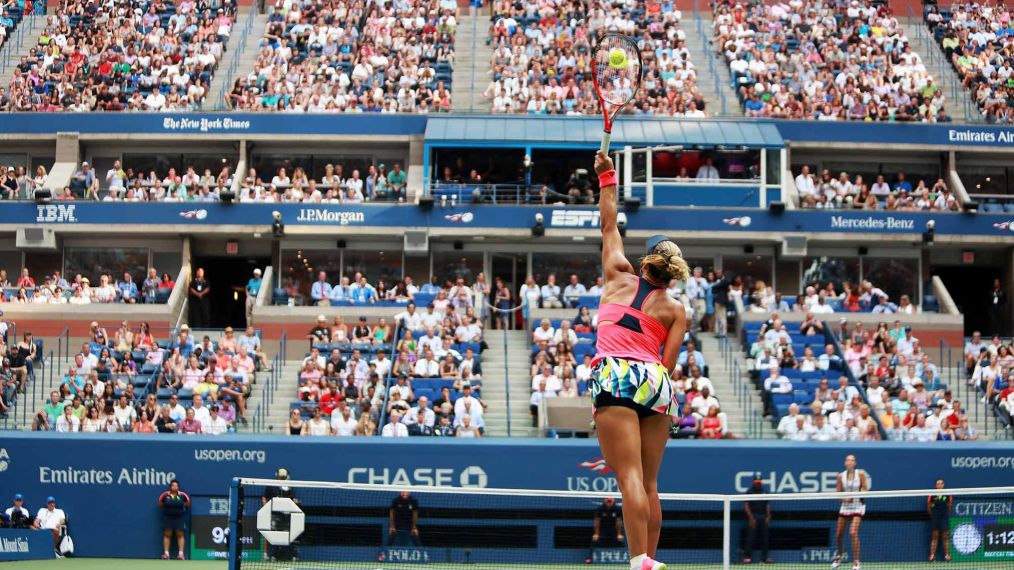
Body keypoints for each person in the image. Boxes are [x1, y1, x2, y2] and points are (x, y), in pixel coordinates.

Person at [589, 151, 688, 570]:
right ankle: (650, 560)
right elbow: (667, 365)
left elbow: (609, 222)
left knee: (627, 476)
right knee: (649, 482)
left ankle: (636, 560)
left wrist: (605, 174)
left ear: (646, 261)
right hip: (654, 383)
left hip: (615, 372)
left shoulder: (617, 273)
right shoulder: (676, 309)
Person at [833, 455, 867, 570]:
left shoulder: (861, 474)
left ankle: (856, 561)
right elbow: (838, 494)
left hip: (858, 506)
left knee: (852, 532)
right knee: (839, 534)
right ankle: (839, 556)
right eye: (848, 460)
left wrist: (859, 493)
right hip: (845, 506)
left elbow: (865, 489)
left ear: (855, 463)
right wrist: (846, 499)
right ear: (845, 463)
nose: (850, 462)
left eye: (852, 460)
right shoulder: (840, 476)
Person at [262, 468, 298, 562]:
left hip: (285, 515)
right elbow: (264, 498)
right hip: (273, 514)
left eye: (283, 477)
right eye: (280, 477)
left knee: (288, 533)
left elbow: (293, 499)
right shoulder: (271, 485)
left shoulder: (289, 487)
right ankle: (266, 554)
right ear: (277, 476)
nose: (282, 478)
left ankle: (281, 555)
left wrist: (295, 502)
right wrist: (266, 508)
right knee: (269, 533)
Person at [585, 497, 624, 565]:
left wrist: (619, 534)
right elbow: (597, 521)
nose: (609, 503)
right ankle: (590, 558)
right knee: (594, 540)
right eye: (608, 501)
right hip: (602, 530)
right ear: (605, 501)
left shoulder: (617, 509)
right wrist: (596, 534)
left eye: (610, 501)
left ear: (613, 501)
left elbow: (619, 522)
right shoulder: (600, 509)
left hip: (613, 530)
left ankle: (627, 559)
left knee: (620, 540)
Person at [159, 480, 191, 560]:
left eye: (176, 486)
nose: (175, 487)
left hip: (179, 518)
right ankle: (166, 554)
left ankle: (181, 554)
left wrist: (180, 504)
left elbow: (188, 504)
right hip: (168, 518)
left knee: (180, 535)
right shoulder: (165, 495)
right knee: (167, 535)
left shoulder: (183, 495)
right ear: (170, 487)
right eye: (173, 486)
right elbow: (160, 504)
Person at [742, 478, 772, 564]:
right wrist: (751, 518)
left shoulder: (765, 492)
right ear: (754, 482)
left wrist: (768, 516)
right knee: (750, 538)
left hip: (763, 517)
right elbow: (746, 505)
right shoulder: (749, 492)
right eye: (756, 482)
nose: (758, 484)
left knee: (765, 538)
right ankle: (747, 557)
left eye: (759, 482)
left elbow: (767, 504)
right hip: (753, 517)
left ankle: (765, 558)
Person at [927, 479, 951, 562]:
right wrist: (933, 515)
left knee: (946, 537)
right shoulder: (932, 495)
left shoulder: (947, 494)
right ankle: (932, 556)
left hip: (944, 517)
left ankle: (947, 555)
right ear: (935, 485)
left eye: (941, 484)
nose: (939, 485)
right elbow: (929, 506)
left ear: (943, 485)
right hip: (935, 518)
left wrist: (945, 513)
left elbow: (949, 505)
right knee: (934, 537)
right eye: (938, 484)